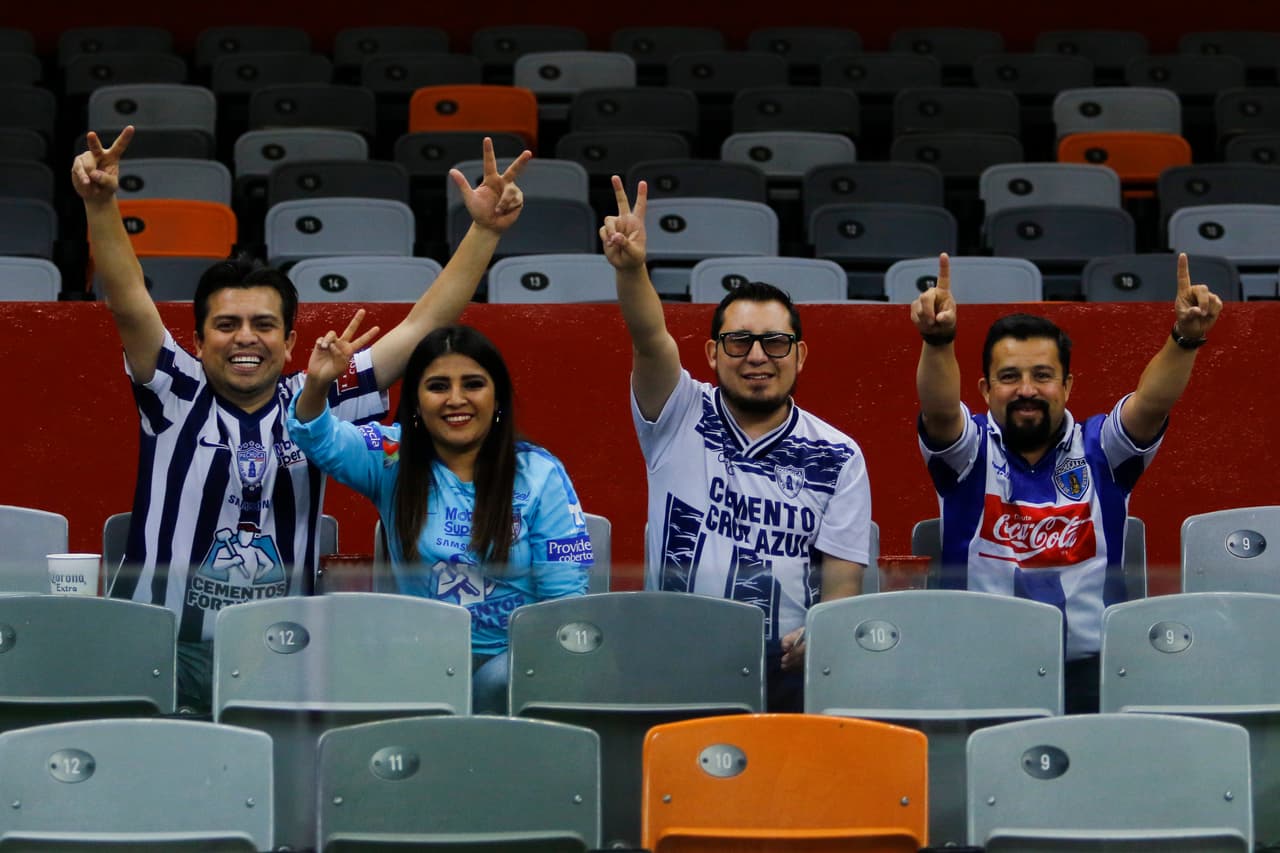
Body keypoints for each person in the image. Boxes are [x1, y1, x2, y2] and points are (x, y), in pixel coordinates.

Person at [71, 126, 530, 711]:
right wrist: (102, 203)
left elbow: (421, 328)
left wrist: (485, 231)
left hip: (279, 657)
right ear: (198, 339)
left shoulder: (317, 397)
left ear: (289, 342)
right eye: (227, 325)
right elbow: (128, 297)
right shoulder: (174, 391)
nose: (245, 338)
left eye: (263, 326)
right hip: (160, 650)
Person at [600, 177, 871, 712]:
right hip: (677, 654)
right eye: (738, 341)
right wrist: (632, 270)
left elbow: (842, 584)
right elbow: (649, 336)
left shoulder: (839, 454)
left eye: (775, 342)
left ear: (800, 356)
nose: (756, 356)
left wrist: (822, 634)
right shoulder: (677, 412)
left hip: (786, 670)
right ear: (711, 352)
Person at [911, 252, 1222, 713]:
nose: (1027, 390)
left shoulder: (1102, 448)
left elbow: (1151, 405)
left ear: (1068, 386)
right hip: (979, 673)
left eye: (1043, 376)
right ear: (984, 390)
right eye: (1009, 377)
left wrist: (1186, 338)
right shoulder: (968, 449)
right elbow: (938, 411)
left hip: (1095, 675)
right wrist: (938, 341)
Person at [287, 322, 593, 713]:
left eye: (473, 384)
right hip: (421, 666)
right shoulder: (392, 455)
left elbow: (564, 606)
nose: (456, 399)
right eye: (437, 387)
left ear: (497, 397)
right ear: (415, 401)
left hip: (517, 669)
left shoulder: (540, 473)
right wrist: (317, 385)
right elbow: (316, 435)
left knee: (496, 682)